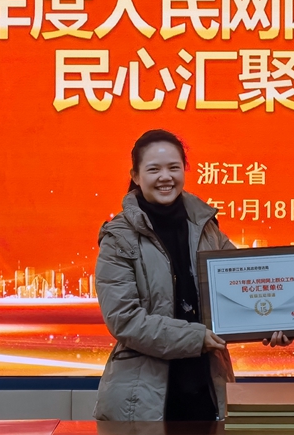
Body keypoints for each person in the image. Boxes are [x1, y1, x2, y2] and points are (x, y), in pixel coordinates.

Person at [92, 129, 235, 421]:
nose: (165, 177)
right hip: (142, 399)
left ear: (184, 170)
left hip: (207, 391)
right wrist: (195, 337)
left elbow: (239, 289)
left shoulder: (208, 228)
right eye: (154, 169)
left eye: (173, 167)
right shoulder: (118, 237)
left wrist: (272, 322)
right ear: (135, 175)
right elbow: (124, 319)